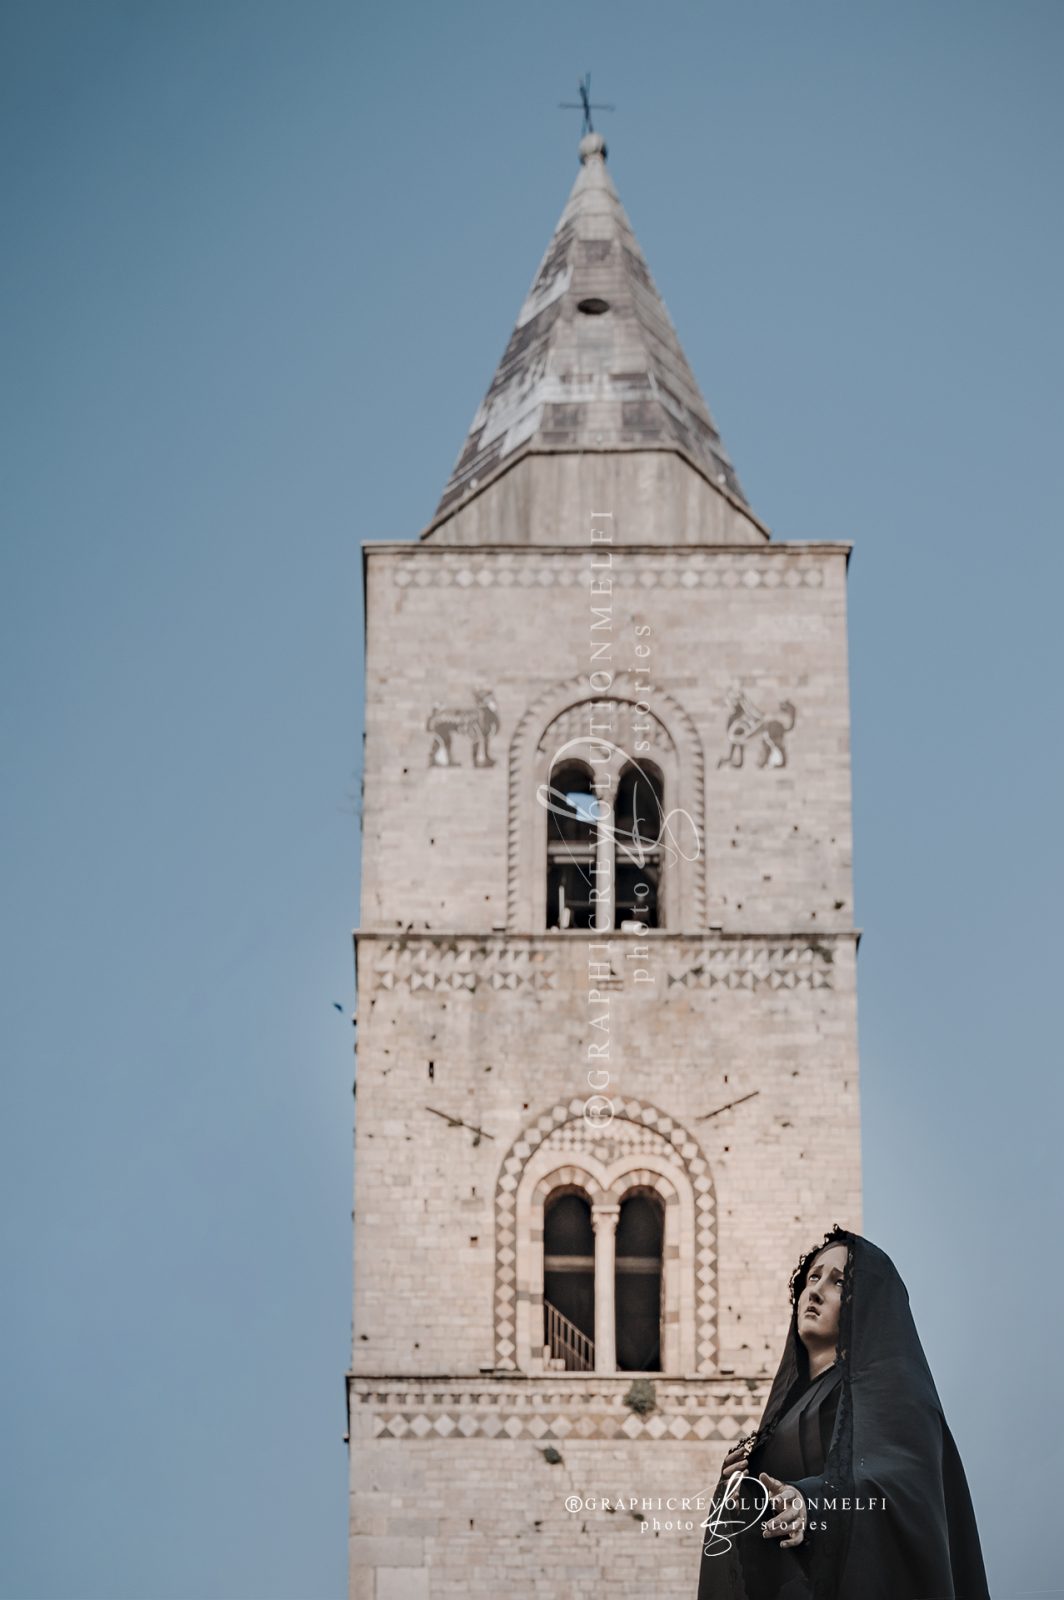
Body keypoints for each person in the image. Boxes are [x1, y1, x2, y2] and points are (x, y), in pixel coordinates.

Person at [695, 1227, 990, 1599]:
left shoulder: (895, 1389)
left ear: (864, 1302)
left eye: (837, 1282)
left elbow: (902, 1486)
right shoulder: (784, 1415)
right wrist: (739, 1495)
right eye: (813, 1277)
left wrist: (813, 1502)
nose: (814, 1290)